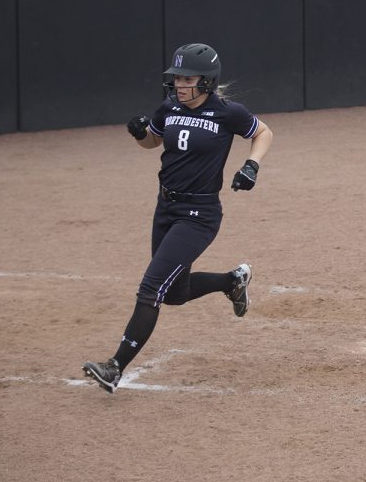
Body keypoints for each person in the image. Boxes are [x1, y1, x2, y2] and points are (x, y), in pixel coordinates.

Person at [83, 43, 273, 392]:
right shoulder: (169, 106)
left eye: (187, 79)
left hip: (199, 215)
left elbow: (263, 132)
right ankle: (232, 282)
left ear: (207, 82)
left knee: (151, 287)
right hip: (166, 208)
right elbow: (152, 142)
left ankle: (114, 367)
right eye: (176, 78)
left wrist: (251, 165)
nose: (179, 85)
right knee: (174, 293)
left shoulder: (227, 112)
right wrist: (139, 132)